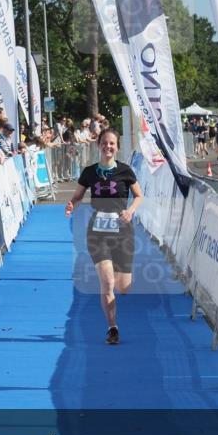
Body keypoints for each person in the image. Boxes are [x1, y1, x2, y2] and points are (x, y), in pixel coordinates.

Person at [65, 129, 143, 345]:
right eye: (105, 143)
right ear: (98, 145)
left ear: (117, 147)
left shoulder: (125, 171)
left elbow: (139, 195)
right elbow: (78, 196)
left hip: (123, 233)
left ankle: (123, 278)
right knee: (107, 282)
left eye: (112, 144)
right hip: (97, 233)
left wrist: (131, 211)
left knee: (123, 288)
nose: (108, 147)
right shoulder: (89, 172)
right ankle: (112, 328)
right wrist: (72, 204)